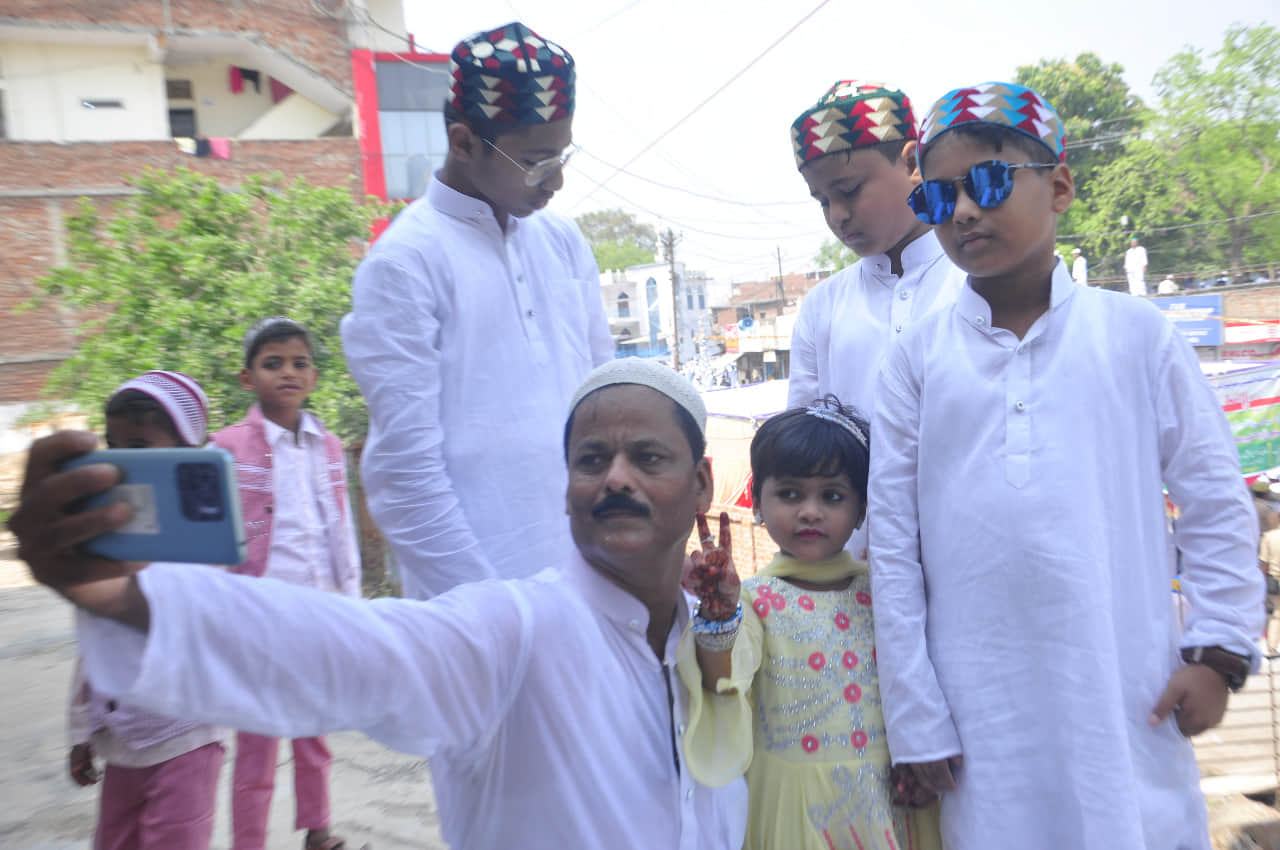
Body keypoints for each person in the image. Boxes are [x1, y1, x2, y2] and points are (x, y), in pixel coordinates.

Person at [9, 358, 748, 850]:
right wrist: (129, 598)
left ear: (702, 484)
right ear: (566, 486)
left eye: (647, 458)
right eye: (591, 460)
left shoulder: (717, 638)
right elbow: (347, 650)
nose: (615, 478)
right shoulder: (519, 630)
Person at [869, 81, 1264, 850]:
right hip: (978, 718)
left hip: (1123, 696)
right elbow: (893, 544)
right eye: (939, 197)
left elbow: (1216, 502)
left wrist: (1218, 653)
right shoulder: (916, 360)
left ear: (1059, 186)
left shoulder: (1138, 337)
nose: (963, 213)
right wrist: (916, 712)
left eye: (985, 182)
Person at [341, 22, 613, 600]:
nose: (557, 181)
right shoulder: (405, 264)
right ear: (463, 143)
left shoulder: (562, 244)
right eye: (537, 162)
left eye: (562, 155)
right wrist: (490, 619)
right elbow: (406, 479)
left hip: (594, 587)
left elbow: (608, 408)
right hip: (481, 614)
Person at [678, 396, 940, 850]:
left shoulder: (888, 591)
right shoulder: (754, 600)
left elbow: (922, 679)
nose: (810, 511)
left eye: (832, 496)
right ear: (757, 501)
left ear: (861, 508)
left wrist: (918, 752)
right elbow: (723, 682)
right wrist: (719, 617)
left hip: (890, 800)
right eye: (790, 494)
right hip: (792, 816)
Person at [786, 80, 964, 557]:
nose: (838, 215)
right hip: (853, 586)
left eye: (848, 190)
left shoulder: (976, 285)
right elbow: (799, 459)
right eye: (822, 200)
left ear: (911, 164)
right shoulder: (823, 308)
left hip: (970, 564)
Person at [209, 317, 361, 850]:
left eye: (298, 363)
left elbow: (340, 530)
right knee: (256, 740)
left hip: (317, 610)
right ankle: (248, 841)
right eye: (272, 364)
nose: (287, 372)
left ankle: (318, 831)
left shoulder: (331, 446)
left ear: (315, 376)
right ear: (247, 378)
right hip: (257, 616)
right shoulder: (225, 448)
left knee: (314, 731)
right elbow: (214, 538)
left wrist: (352, 605)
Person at [67, 371, 226, 850]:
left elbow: (196, 613)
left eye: (138, 445)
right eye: (112, 444)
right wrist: (82, 730)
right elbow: (93, 640)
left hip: (185, 735)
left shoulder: (202, 535)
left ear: (187, 453)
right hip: (121, 740)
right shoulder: (108, 536)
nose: (120, 460)